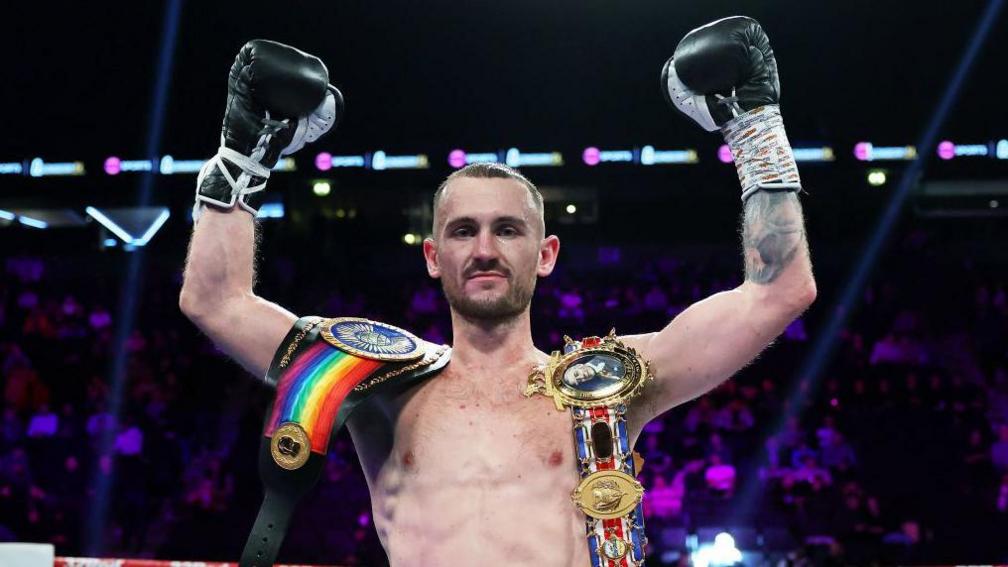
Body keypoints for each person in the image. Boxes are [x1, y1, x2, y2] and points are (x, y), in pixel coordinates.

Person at [180, 16, 816, 567]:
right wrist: (241, 155)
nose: (483, 249)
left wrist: (757, 134)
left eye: (506, 229)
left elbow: (778, 291)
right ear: (433, 256)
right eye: (463, 231)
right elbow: (217, 301)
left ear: (545, 255)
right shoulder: (379, 385)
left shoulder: (613, 383)